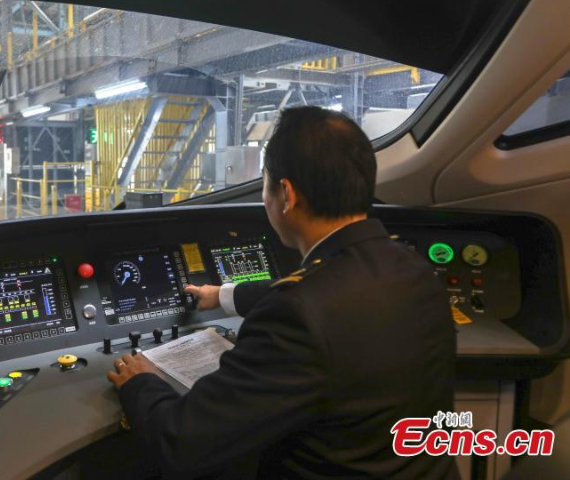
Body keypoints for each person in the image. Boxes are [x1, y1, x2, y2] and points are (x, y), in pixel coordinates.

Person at [106, 106, 458, 479]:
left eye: (266, 183)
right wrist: (224, 295)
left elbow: (180, 442)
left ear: (286, 194)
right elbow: (330, 295)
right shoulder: (413, 269)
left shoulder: (296, 315)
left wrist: (141, 383)